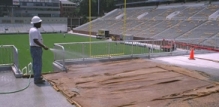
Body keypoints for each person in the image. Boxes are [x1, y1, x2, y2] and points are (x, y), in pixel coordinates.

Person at [29, 16, 49, 84]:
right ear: (36, 23)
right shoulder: (34, 30)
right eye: (40, 22)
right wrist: (44, 46)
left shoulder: (33, 29)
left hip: (35, 49)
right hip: (36, 49)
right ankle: (37, 79)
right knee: (37, 64)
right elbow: (35, 40)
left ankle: (37, 77)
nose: (41, 24)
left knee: (36, 63)